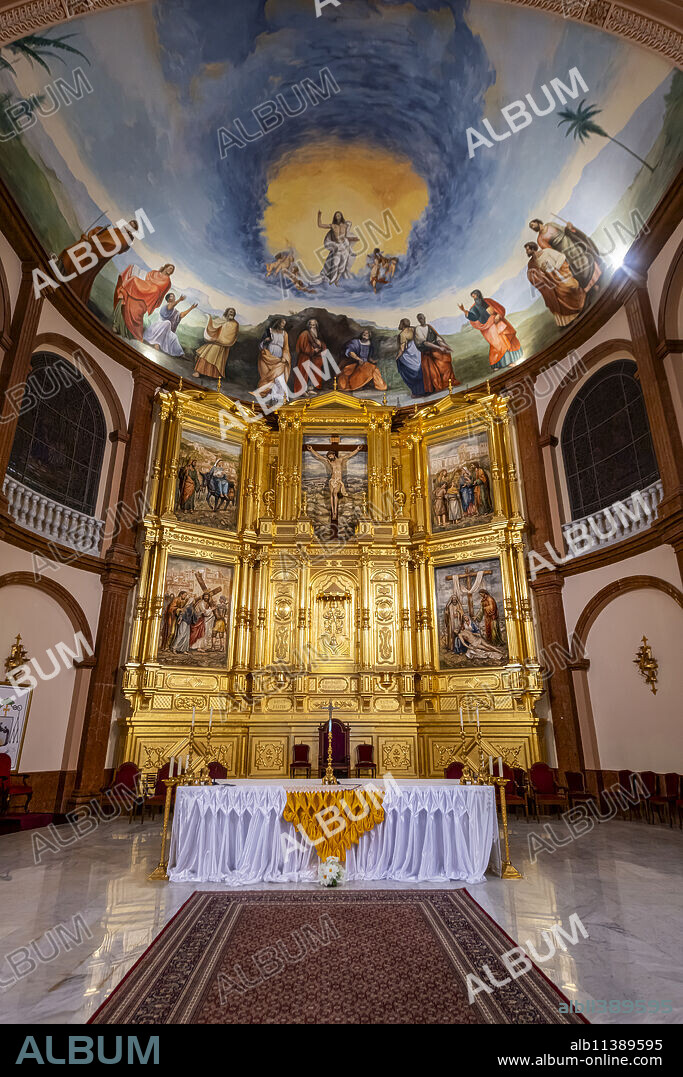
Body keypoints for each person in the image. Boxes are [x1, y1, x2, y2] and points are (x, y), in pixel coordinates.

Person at [529, 217, 602, 294]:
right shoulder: (540, 239)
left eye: (533, 224)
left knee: (583, 258)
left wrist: (568, 227)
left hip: (570, 243)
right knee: (576, 268)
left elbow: (563, 229)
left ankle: (598, 277)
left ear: (537, 222)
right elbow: (550, 250)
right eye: (532, 227)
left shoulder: (550, 224)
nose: (533, 226)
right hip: (563, 252)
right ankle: (592, 286)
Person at [458, 291, 523, 371]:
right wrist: (464, 310)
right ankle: (497, 364)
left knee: (504, 340)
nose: (474, 298)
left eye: (475, 296)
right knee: (496, 345)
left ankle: (510, 361)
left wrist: (499, 315)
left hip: (497, 323)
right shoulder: (474, 308)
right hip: (488, 328)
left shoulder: (488, 301)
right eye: (473, 297)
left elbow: (499, 308)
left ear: (479, 295)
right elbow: (474, 317)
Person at [525, 242, 584, 327]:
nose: (526, 252)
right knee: (555, 298)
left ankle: (578, 308)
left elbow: (561, 256)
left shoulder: (546, 252)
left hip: (558, 275)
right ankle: (568, 320)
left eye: (527, 250)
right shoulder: (531, 263)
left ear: (532, 249)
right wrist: (538, 273)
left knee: (568, 289)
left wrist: (555, 268)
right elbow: (532, 274)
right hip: (549, 284)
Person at [113, 263, 175, 341]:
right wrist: (148, 283)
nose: (170, 270)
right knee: (134, 279)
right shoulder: (154, 272)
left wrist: (150, 285)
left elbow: (160, 288)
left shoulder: (167, 280)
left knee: (155, 289)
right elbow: (148, 278)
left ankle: (128, 332)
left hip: (152, 293)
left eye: (172, 270)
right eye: (170, 268)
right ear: (166, 267)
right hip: (145, 286)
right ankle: (131, 292)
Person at [306, 443, 362, 523]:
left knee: (335, 493)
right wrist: (311, 450)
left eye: (330, 456)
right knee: (331, 493)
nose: (329, 457)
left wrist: (357, 449)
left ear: (333, 454)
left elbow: (349, 455)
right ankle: (333, 511)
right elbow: (319, 456)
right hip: (332, 480)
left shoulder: (341, 459)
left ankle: (335, 512)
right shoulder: (329, 462)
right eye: (328, 457)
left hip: (338, 480)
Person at [414, 312, 458, 391]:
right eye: (420, 318)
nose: (422, 319)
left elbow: (437, 338)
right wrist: (439, 348)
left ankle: (449, 381)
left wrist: (446, 346)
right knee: (437, 369)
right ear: (418, 320)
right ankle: (441, 384)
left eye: (422, 317)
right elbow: (425, 343)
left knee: (446, 363)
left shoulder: (429, 327)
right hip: (428, 353)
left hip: (436, 350)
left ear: (425, 317)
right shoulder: (418, 329)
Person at [193, 308, 239, 379]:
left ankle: (212, 375)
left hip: (222, 345)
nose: (231, 313)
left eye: (233, 312)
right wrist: (210, 319)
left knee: (210, 353)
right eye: (230, 312)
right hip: (215, 341)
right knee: (205, 353)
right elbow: (214, 325)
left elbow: (230, 336)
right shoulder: (222, 320)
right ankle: (198, 372)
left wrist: (218, 339)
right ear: (226, 312)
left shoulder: (235, 324)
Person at [317, 210, 359, 285]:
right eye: (336, 216)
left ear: (341, 216)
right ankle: (331, 280)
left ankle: (337, 280)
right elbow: (320, 225)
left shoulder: (345, 225)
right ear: (335, 217)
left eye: (339, 215)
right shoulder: (333, 226)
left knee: (342, 265)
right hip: (337, 246)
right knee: (335, 263)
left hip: (345, 245)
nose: (338, 217)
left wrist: (352, 239)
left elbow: (346, 236)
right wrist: (319, 215)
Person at [257, 317, 291, 399]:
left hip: (279, 357)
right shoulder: (269, 331)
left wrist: (284, 357)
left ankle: (280, 394)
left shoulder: (284, 334)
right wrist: (265, 341)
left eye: (284, 324)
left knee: (279, 375)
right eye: (282, 323)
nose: (283, 325)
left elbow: (286, 347)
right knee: (269, 375)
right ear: (278, 323)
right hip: (268, 356)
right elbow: (261, 345)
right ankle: (270, 393)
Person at [295, 318, 331, 393]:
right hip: (306, 356)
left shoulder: (318, 333)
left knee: (313, 372)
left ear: (316, 325)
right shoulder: (305, 333)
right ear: (308, 325)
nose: (312, 326)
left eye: (314, 324)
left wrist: (320, 344)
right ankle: (303, 390)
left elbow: (322, 344)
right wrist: (312, 350)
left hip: (315, 357)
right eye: (311, 324)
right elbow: (303, 345)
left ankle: (310, 388)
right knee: (304, 372)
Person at [395, 319, 424, 397]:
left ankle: (417, 392)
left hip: (410, 352)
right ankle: (424, 390)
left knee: (403, 365)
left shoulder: (402, 334)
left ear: (402, 324)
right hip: (418, 352)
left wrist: (397, 357)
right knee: (420, 370)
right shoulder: (414, 328)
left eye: (400, 323)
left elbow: (402, 349)